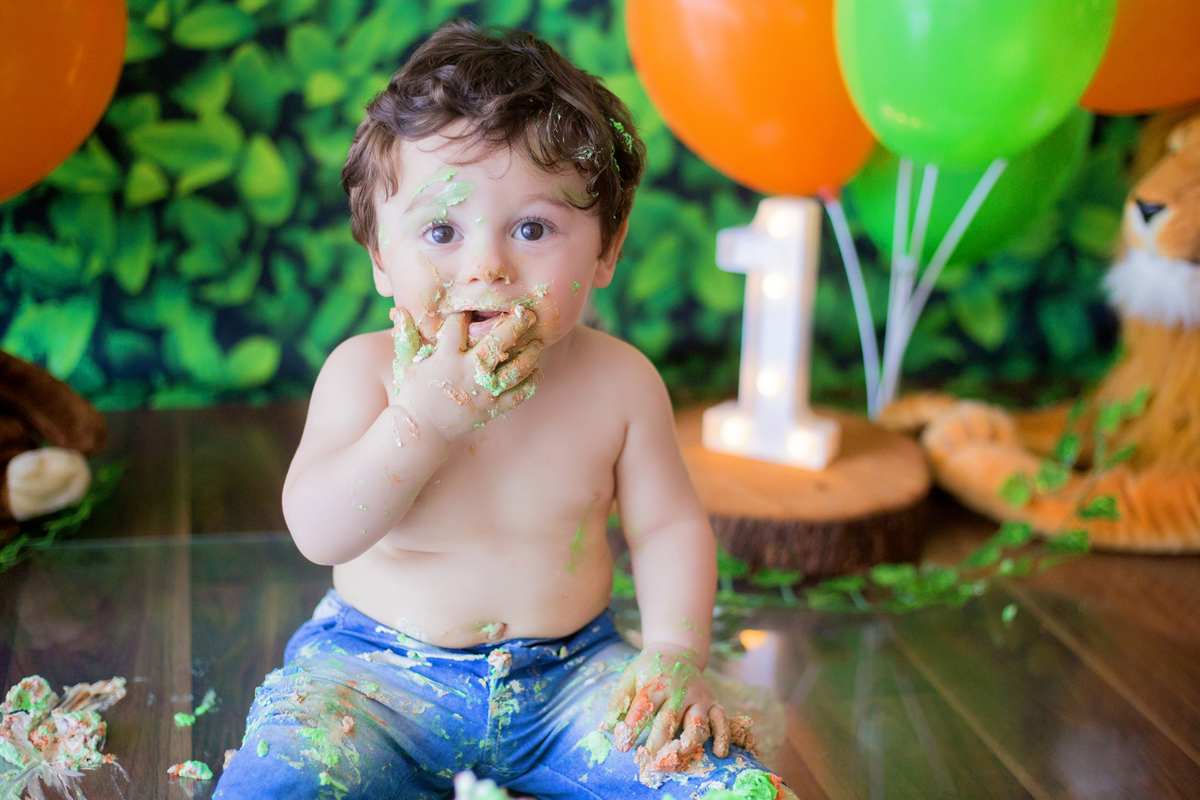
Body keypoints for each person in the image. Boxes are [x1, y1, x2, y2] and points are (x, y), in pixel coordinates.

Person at [216, 21, 794, 800]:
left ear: (605, 249)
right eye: (441, 230)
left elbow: (667, 529)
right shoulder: (365, 375)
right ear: (382, 257)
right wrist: (422, 420)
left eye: (532, 227)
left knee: (727, 787)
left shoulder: (619, 383)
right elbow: (319, 529)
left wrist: (673, 656)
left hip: (572, 679)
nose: (486, 266)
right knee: (280, 781)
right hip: (372, 676)